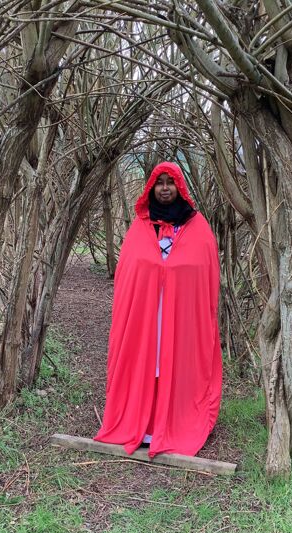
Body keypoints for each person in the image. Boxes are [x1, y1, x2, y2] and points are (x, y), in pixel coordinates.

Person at [94, 161, 222, 458]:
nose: (165, 188)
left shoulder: (198, 228)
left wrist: (173, 273)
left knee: (174, 362)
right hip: (145, 314)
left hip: (182, 315)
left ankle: (174, 422)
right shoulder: (140, 227)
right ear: (151, 188)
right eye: (159, 183)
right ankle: (143, 423)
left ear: (180, 187)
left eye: (170, 182)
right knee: (147, 361)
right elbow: (129, 273)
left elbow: (205, 275)